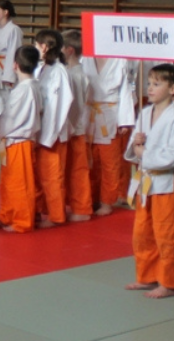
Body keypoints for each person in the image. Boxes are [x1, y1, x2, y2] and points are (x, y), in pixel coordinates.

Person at [124, 63, 174, 299]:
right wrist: (136, 144)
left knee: (167, 234)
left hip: (165, 183)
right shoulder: (144, 113)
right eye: (149, 83)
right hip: (145, 182)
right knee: (142, 232)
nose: (150, 88)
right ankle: (147, 275)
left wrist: (144, 152)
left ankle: (169, 282)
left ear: (173, 89)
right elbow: (134, 149)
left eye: (156, 84)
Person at [0, 45, 42, 233]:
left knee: (20, 184)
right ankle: (8, 214)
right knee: (8, 181)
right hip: (14, 141)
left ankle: (22, 220)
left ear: (15, 65)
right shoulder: (30, 86)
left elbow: (10, 119)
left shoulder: (25, 89)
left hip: (19, 141)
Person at [83, 55, 136, 216]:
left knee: (110, 163)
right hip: (88, 115)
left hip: (110, 115)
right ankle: (92, 198)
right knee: (91, 161)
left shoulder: (120, 60)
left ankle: (107, 201)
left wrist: (125, 121)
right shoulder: (85, 59)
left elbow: (125, 92)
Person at [34, 29, 73, 228]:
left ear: (44, 47)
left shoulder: (59, 71)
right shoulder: (43, 68)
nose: (34, 47)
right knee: (41, 175)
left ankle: (56, 215)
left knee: (53, 176)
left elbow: (60, 105)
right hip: (41, 129)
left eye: (36, 44)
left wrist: (50, 134)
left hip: (53, 132)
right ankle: (42, 209)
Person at [62, 30, 93, 222]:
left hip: (75, 129)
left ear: (69, 50)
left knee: (78, 170)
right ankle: (75, 203)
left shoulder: (77, 75)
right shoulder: (71, 73)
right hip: (72, 128)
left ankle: (82, 208)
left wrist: (70, 127)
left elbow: (76, 106)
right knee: (71, 170)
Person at [0, 0, 24, 91]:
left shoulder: (14, 30)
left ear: (5, 12)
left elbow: (13, 53)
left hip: (4, 68)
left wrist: (9, 77)